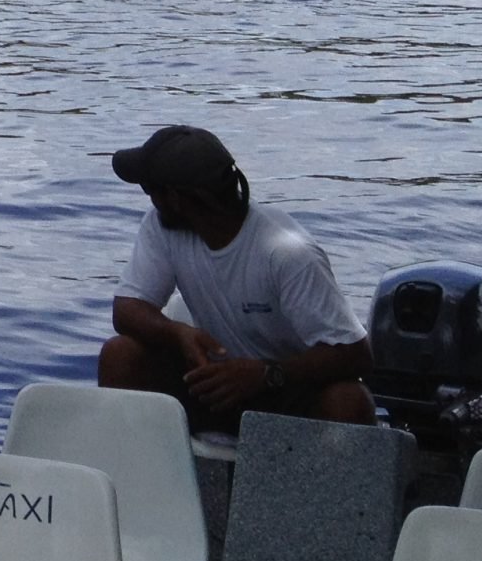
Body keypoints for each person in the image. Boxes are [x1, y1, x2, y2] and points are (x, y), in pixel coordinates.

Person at [98, 125, 374, 427]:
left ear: (175, 199)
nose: (150, 200)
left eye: (150, 190)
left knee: (349, 401)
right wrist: (178, 334)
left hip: (287, 388)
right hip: (212, 384)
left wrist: (266, 374)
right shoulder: (162, 226)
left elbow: (356, 354)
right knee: (120, 355)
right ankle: (135, 467)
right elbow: (126, 310)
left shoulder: (287, 252)